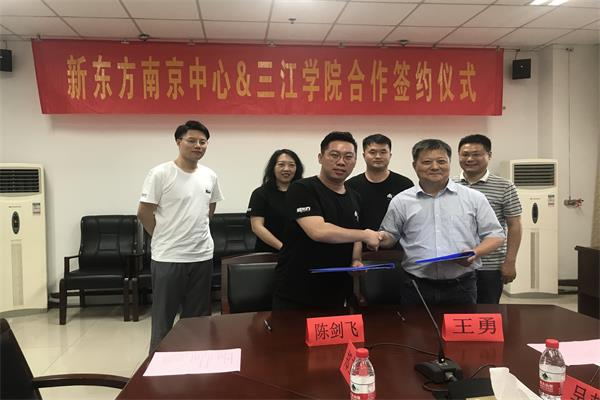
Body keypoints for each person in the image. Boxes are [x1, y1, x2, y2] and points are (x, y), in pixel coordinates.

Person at [379, 139, 505, 305]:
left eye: (441, 161)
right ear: (414, 165)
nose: (435, 167)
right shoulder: (401, 201)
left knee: (461, 323)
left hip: (462, 285)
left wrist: (475, 252)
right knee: (415, 323)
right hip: (416, 286)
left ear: (449, 163)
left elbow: (496, 235)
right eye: (427, 162)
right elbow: (390, 236)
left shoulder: (473, 198)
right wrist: (379, 237)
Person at [137, 120, 223, 352]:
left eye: (203, 142)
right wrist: (161, 235)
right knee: (163, 318)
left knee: (197, 319)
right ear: (178, 142)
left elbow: (209, 209)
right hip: (169, 257)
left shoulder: (210, 175)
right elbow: (144, 212)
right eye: (192, 140)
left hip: (202, 255)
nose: (198, 146)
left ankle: (194, 360)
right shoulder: (160, 173)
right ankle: (159, 363)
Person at [272, 131, 382, 310]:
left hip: (338, 290)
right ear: (320, 157)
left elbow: (355, 234)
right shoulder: (302, 189)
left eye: (348, 157)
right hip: (298, 290)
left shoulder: (355, 196)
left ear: (355, 161)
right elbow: (318, 231)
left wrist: (356, 260)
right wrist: (365, 235)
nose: (341, 162)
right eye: (334, 155)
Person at [455, 134, 522, 304]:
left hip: (490, 265)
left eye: (476, 154)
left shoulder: (505, 186)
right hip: (457, 264)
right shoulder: (449, 185)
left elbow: (514, 225)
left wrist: (510, 261)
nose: (470, 159)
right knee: (457, 312)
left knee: (486, 311)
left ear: (489, 155)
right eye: (465, 154)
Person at [346, 134, 414, 231]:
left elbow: (411, 220)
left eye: (383, 152)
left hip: (396, 240)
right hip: (360, 239)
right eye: (372, 152)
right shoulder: (350, 186)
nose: (378, 156)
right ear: (364, 155)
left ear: (390, 155)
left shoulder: (405, 184)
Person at [246, 149, 304, 252]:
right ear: (272, 167)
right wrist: (283, 248)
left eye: (291, 165)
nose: (286, 169)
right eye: (281, 164)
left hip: (299, 251)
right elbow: (257, 227)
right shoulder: (260, 193)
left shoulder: (304, 193)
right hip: (269, 253)